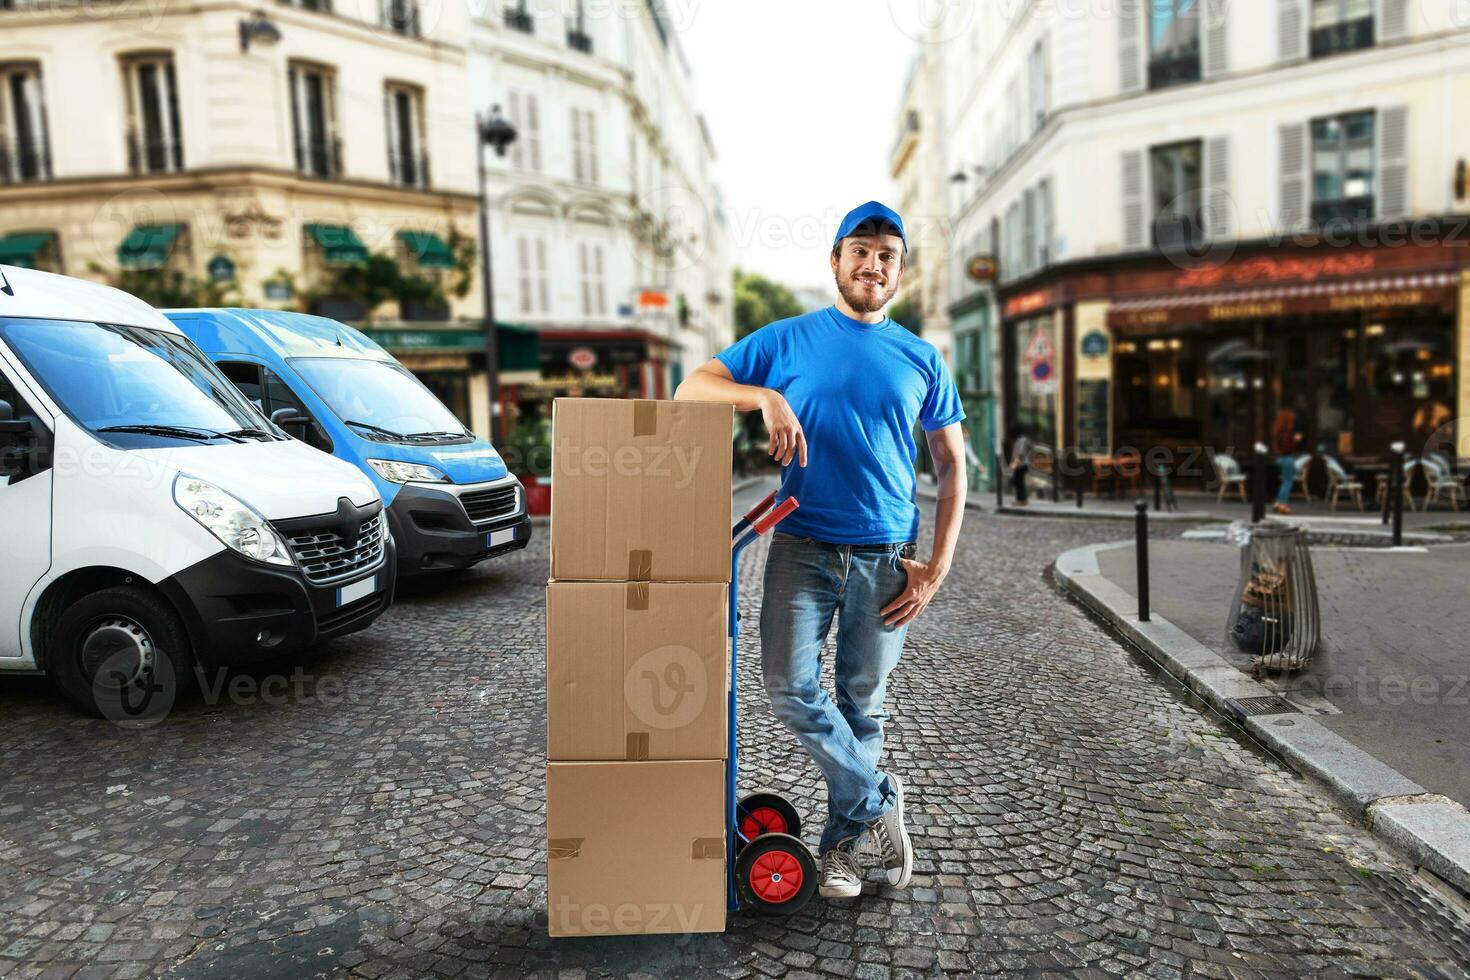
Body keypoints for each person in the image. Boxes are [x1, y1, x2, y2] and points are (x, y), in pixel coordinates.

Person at [675, 201, 966, 900]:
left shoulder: (922, 357)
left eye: (887, 255)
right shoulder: (787, 340)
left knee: (862, 706)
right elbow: (693, 388)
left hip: (886, 557)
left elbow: (953, 465)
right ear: (834, 262)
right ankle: (876, 799)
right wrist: (763, 398)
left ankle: (839, 853)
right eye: (860, 251)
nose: (873, 264)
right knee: (788, 688)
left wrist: (939, 564)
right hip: (801, 547)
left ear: (899, 271)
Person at [1271, 408, 1301, 515]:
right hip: (1287, 458)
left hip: (1279, 458)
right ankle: (1283, 504)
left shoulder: (1277, 431)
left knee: (1284, 481)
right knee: (1288, 482)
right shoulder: (1287, 432)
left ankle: (1278, 502)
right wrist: (1295, 440)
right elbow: (1288, 447)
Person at [1008, 426, 1034, 506]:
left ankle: (1021, 500)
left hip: (1021, 464)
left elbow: (1021, 453)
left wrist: (1014, 464)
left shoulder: (1022, 439)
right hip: (1022, 464)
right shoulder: (1023, 439)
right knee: (1019, 482)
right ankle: (1023, 499)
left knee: (1018, 483)